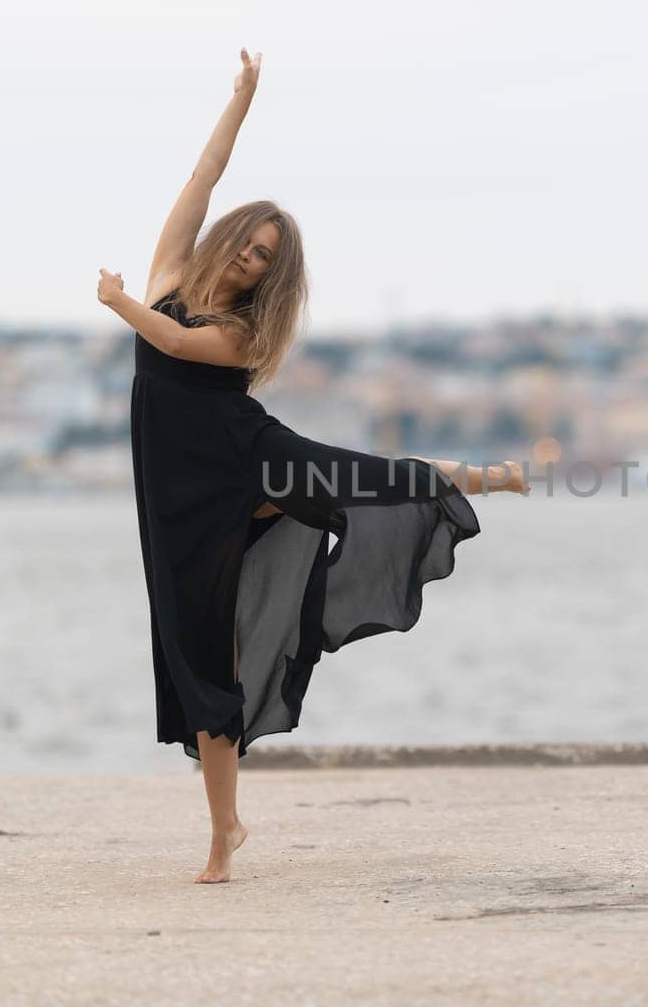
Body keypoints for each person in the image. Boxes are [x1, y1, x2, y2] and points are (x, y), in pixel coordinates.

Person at [97, 48, 529, 884]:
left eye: (265, 259)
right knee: (200, 662)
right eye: (249, 246)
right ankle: (226, 831)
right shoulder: (172, 272)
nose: (251, 261)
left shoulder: (233, 331)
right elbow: (205, 172)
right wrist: (241, 100)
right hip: (177, 499)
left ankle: (486, 475)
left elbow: (177, 343)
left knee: (360, 475)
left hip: (248, 462)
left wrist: (119, 305)